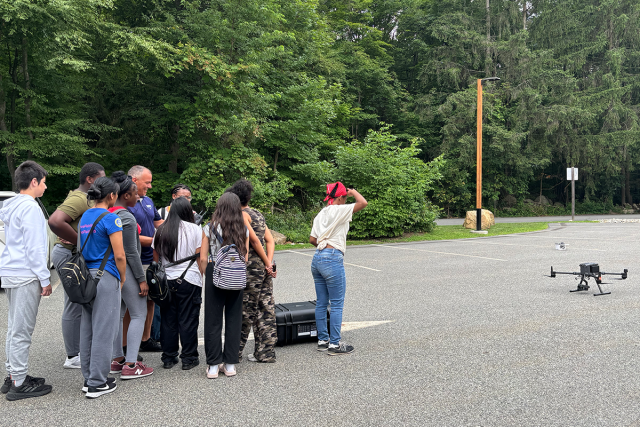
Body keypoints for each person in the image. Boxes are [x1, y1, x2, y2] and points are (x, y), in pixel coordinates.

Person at [0, 161, 53, 401]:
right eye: (43, 182)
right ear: (34, 182)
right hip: (25, 274)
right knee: (22, 330)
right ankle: (19, 383)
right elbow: (34, 248)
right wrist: (45, 279)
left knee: (14, 327)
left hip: (11, 271)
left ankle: (13, 375)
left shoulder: (10, 206)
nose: (44, 186)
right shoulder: (30, 207)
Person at [48, 162, 105, 369]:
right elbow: (55, 221)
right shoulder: (79, 198)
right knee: (74, 302)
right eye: (100, 177)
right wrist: (80, 242)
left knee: (80, 301)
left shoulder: (86, 198)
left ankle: (79, 350)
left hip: (72, 254)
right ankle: (73, 356)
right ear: (90, 179)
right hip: (68, 254)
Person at [78, 177, 126, 398]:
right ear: (112, 196)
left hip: (86, 277)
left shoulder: (84, 217)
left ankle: (89, 378)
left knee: (87, 329)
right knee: (105, 330)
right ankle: (98, 382)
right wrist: (122, 278)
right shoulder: (112, 219)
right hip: (106, 277)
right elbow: (119, 255)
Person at [309, 182, 367, 355]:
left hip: (317, 258)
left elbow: (312, 239)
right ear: (341, 197)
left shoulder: (321, 213)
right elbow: (363, 203)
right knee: (336, 303)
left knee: (321, 303)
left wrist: (324, 243)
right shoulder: (340, 209)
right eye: (344, 197)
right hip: (332, 257)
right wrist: (353, 191)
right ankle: (335, 344)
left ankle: (322, 340)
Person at [226, 179, 278, 363]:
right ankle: (266, 352)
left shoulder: (240, 215)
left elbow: (255, 241)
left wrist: (265, 262)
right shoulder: (257, 214)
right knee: (265, 307)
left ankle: (234, 353)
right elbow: (269, 240)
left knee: (245, 310)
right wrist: (269, 264)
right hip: (263, 269)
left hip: (251, 269)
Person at [108, 172, 153, 380]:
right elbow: (131, 251)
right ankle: (132, 364)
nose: (138, 197)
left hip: (111, 273)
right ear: (125, 195)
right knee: (138, 314)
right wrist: (141, 279)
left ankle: (117, 359)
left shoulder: (106, 212)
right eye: (135, 193)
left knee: (119, 314)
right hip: (126, 272)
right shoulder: (125, 216)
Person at [201, 192, 249, 379]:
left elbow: (203, 257)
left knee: (213, 320)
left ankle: (213, 366)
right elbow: (244, 257)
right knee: (234, 319)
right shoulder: (243, 228)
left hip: (215, 271)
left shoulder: (209, 227)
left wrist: (208, 273)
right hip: (236, 273)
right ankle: (230, 365)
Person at [152, 197, 204, 370]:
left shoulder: (160, 230)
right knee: (188, 319)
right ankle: (189, 358)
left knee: (168, 319)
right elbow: (199, 258)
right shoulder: (196, 229)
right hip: (189, 278)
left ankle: (168, 357)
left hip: (166, 281)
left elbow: (156, 260)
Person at [127, 165, 163, 353]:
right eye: (147, 182)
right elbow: (129, 237)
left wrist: (177, 226)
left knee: (151, 300)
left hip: (151, 259)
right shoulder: (126, 204)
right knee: (133, 304)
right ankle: (126, 344)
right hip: (135, 260)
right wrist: (157, 240)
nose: (149, 186)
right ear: (134, 180)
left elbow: (159, 223)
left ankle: (145, 339)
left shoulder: (148, 201)